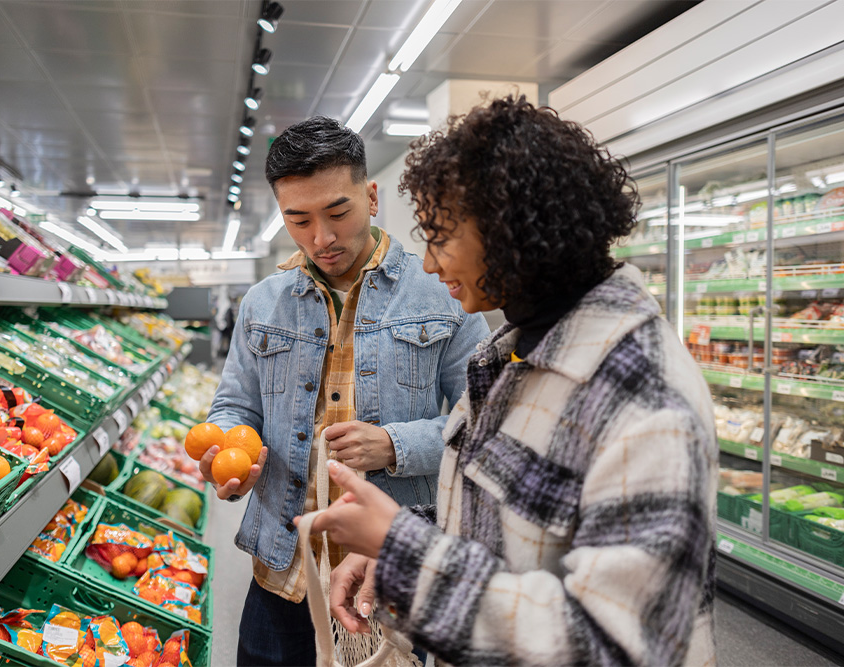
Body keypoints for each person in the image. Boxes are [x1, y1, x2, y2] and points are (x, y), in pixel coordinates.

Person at [307, 94, 718, 666]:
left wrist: (407, 553)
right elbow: (509, 536)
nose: (428, 263)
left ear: (512, 230)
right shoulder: (511, 354)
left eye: (440, 236)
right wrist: (403, 554)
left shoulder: (642, 395)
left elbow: (617, 646)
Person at [202, 115, 490, 666]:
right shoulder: (263, 303)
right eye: (299, 219)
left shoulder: (442, 293)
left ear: (372, 196)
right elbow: (236, 404)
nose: (322, 237)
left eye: (338, 212)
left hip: (390, 570)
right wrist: (231, 459)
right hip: (282, 568)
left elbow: (486, 420)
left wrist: (398, 445)